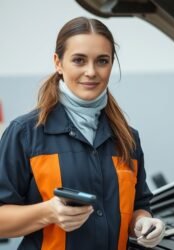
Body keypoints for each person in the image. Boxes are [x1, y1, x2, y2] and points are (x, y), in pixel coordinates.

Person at [0, 16, 165, 250]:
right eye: (79, 60)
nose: (91, 72)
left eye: (102, 61)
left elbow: (139, 203)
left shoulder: (127, 138)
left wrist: (142, 222)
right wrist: (48, 212)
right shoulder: (25, 134)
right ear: (58, 63)